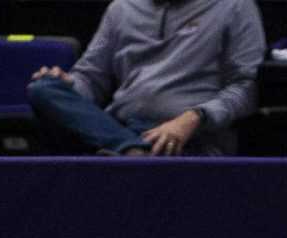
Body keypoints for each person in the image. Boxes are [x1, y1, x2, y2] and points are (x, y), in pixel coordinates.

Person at [26, 0, 265, 156]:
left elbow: (246, 88)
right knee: (43, 89)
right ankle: (132, 149)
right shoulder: (122, 8)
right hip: (120, 127)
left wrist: (194, 117)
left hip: (189, 138)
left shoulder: (235, 7)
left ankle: (129, 151)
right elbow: (90, 78)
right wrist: (68, 85)